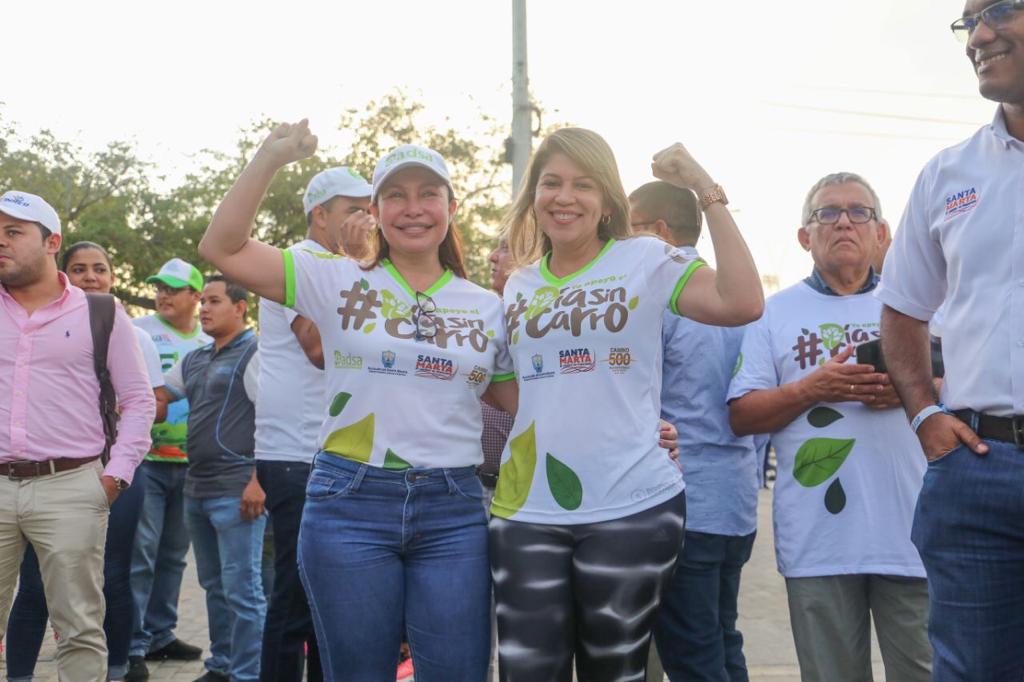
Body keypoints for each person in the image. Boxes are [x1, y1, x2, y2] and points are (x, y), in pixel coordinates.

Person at [197, 120, 524, 681]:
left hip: (453, 508)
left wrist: (644, 429)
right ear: (374, 210)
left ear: (450, 206)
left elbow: (528, 401)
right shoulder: (335, 278)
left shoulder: (489, 306)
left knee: (458, 672)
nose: (413, 208)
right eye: (395, 195)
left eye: (428, 194)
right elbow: (221, 247)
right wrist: (269, 159)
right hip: (348, 500)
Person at [492, 129, 763, 681]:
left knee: (614, 673)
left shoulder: (645, 258)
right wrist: (590, 417)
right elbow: (510, 388)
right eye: (552, 183)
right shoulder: (517, 286)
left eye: (583, 185)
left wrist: (704, 187)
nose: (564, 197)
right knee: (526, 671)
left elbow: (742, 302)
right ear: (533, 195)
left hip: (631, 508)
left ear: (607, 201)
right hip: (526, 510)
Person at [728, 173, 931, 682]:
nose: (844, 221)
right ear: (805, 236)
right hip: (819, 540)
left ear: (881, 233)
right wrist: (813, 388)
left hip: (913, 533)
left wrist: (912, 391)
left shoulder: (921, 308)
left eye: (859, 212)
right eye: (827, 213)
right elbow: (741, 414)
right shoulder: (771, 315)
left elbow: (967, 391)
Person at [877, 2, 1024, 677]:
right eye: (970, 22)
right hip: (979, 469)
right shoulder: (947, 174)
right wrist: (926, 417)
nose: (981, 35)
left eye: (1001, 10)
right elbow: (903, 310)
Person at [0, 190, 155, 682]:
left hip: (71, 485)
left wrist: (111, 479)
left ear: (52, 242)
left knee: (80, 628)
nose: (0, 243)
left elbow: (138, 400)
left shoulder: (100, 313)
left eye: (12, 232)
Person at [629, 181, 760, 682]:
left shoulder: (662, 293)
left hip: (685, 499)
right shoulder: (734, 292)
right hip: (734, 502)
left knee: (693, 657)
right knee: (723, 643)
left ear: (659, 232)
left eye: (630, 226)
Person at [254, 166, 372, 682]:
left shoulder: (345, 267)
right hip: (298, 455)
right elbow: (320, 349)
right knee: (298, 597)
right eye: (353, 210)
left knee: (333, 598)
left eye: (370, 209)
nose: (367, 220)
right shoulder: (302, 262)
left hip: (329, 452)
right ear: (319, 215)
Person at [158, 275, 263, 682]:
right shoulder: (196, 358)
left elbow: (274, 420)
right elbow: (160, 395)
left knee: (243, 592)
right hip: (196, 488)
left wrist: (260, 481)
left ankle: (247, 674)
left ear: (240, 307)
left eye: (214, 301)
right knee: (214, 587)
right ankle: (222, 666)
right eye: (203, 300)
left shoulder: (256, 354)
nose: (204, 308)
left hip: (238, 491)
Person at [129, 258, 210, 679]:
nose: (163, 294)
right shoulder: (139, 331)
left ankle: (162, 634)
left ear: (196, 297)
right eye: (159, 287)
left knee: (174, 556)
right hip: (146, 462)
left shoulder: (209, 337)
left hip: (192, 465)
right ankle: (133, 644)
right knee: (141, 553)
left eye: (174, 289)